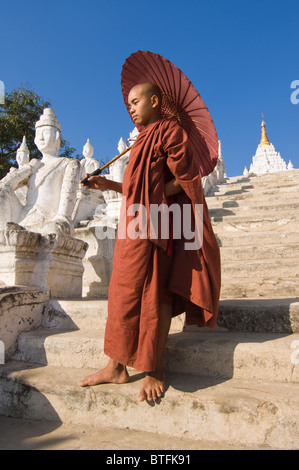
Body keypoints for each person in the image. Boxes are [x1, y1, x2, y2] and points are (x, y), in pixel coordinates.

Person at [78, 82, 221, 402]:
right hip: (132, 223)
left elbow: (186, 180)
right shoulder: (142, 140)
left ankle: (155, 368)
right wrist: (108, 184)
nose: (130, 107)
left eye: (136, 101)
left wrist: (151, 195)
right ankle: (116, 365)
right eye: (128, 102)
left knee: (154, 291)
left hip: (154, 222)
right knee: (122, 292)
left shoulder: (170, 131)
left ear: (155, 101)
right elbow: (137, 186)